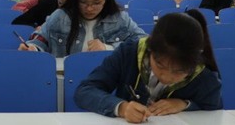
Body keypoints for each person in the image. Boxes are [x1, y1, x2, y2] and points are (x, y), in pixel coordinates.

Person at [74, 10, 222, 122]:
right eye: (160, 65)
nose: (167, 77)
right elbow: (85, 91)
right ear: (149, 49)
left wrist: (185, 104)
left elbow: (214, 109)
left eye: (179, 71)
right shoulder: (129, 53)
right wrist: (121, 107)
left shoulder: (202, 74)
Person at [19, 0, 146, 57]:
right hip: (67, 80)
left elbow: (144, 42)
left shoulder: (119, 18)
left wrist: (109, 48)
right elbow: (41, 38)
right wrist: (33, 48)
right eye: (83, 2)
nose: (89, 8)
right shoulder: (60, 17)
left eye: (97, 2)